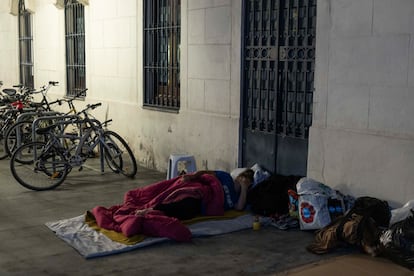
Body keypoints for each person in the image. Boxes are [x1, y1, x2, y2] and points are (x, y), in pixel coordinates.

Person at [134, 169, 255, 220]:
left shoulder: (237, 198)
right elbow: (206, 174)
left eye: (247, 182)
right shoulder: (226, 177)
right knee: (184, 199)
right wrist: (193, 176)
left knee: (187, 212)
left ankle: (155, 212)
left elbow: (239, 208)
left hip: (203, 205)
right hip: (201, 191)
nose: (243, 182)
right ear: (239, 176)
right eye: (243, 178)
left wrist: (244, 188)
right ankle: (152, 208)